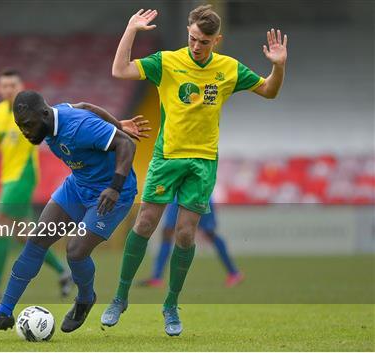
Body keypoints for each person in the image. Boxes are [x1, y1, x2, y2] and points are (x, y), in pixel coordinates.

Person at [101, 5, 287, 336]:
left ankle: (171, 305)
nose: (195, 46)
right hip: (167, 157)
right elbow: (120, 70)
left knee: (186, 234)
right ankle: (120, 297)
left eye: (203, 41)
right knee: (145, 223)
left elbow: (269, 91)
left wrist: (279, 67)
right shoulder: (167, 62)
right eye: (191, 38)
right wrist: (131, 29)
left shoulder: (229, 69)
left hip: (202, 162)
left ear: (217, 40)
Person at [0, 90, 150, 338]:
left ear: (44, 114)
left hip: (111, 194)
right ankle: (3, 313)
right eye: (20, 126)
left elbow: (126, 144)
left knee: (75, 251)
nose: (25, 131)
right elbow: (86, 103)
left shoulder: (79, 127)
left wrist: (115, 187)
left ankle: (85, 299)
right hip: (77, 187)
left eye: (28, 125)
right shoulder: (54, 116)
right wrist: (116, 124)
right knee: (37, 240)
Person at [0, 69, 71, 301]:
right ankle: (64, 273)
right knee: (25, 235)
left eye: (13, 85)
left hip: (24, 175)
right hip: (7, 177)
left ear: (21, 86)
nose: (8, 89)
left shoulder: (30, 109)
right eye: (4, 85)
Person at [139, 198, 243, 288]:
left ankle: (234, 273)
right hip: (179, 194)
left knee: (209, 233)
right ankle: (157, 277)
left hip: (199, 191)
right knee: (167, 231)